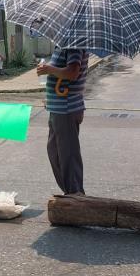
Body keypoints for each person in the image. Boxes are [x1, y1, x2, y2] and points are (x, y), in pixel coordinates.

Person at [36, 47, 90, 196]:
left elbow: (73, 73)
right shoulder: (63, 45)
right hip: (58, 108)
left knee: (68, 155)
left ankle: (76, 195)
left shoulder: (73, 45)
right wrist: (51, 96)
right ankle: (72, 192)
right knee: (55, 151)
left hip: (66, 108)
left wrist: (49, 69)